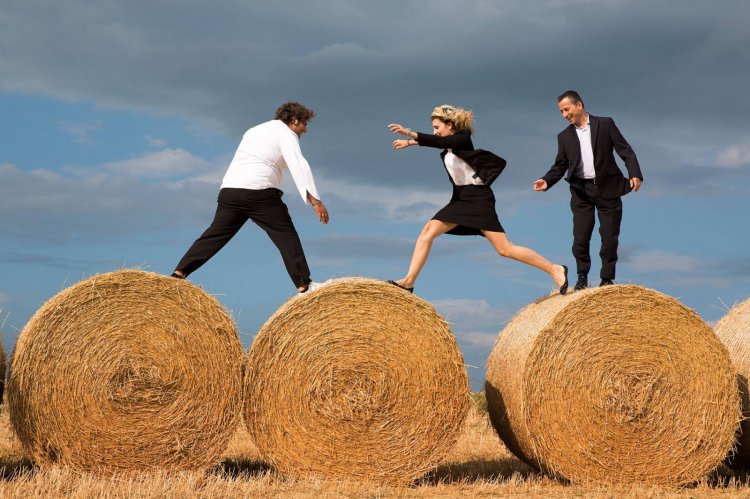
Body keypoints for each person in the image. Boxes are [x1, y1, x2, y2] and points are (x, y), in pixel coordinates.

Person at [388, 105, 569, 294]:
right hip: (461, 199)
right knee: (428, 231)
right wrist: (410, 142)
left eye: (437, 127)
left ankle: (555, 269)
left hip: (479, 199)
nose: (435, 131)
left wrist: (410, 134)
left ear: (449, 124)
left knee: (505, 249)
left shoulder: (463, 137)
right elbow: (440, 142)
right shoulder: (449, 144)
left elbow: (441, 142)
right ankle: (409, 281)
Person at [171, 102, 330, 294]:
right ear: (293, 120)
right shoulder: (285, 133)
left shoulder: (255, 131)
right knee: (285, 235)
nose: (305, 130)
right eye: (304, 124)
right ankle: (305, 285)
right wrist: (315, 200)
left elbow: (269, 158)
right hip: (259, 193)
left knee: (214, 236)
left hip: (230, 191)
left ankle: (178, 274)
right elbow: (298, 164)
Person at [534, 90, 643, 289]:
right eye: (561, 111)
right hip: (581, 191)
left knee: (609, 236)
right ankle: (582, 276)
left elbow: (624, 150)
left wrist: (635, 173)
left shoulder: (605, 124)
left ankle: (606, 279)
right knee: (581, 236)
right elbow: (560, 165)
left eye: (566, 109)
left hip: (607, 188)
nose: (564, 114)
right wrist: (546, 181)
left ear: (579, 105)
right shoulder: (564, 136)